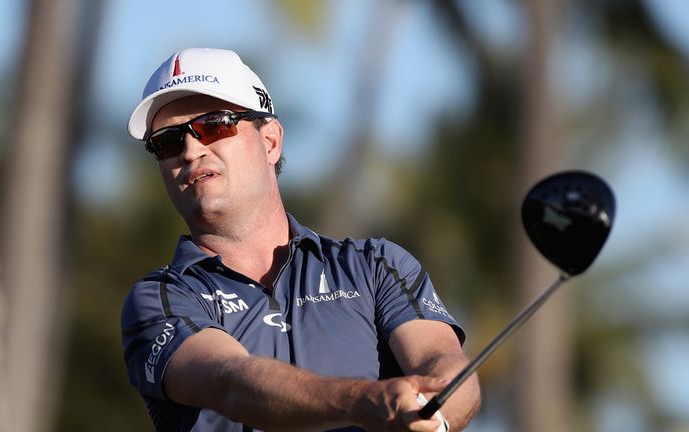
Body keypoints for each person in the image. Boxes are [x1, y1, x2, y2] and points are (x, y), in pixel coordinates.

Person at [121, 47, 481, 432]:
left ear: (271, 141)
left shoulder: (375, 266)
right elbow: (231, 383)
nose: (191, 150)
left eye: (215, 125)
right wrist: (364, 402)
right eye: (168, 141)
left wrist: (435, 413)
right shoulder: (160, 300)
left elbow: (445, 367)